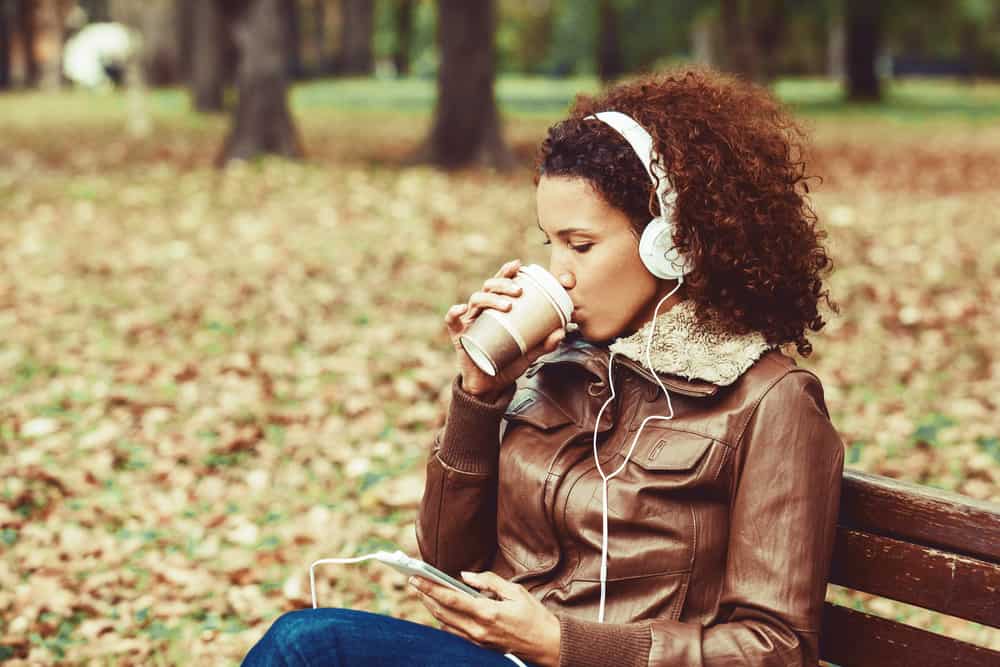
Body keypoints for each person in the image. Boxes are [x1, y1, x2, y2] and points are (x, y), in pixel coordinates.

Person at [242, 67, 844, 667]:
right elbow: (450, 566)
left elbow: (778, 648)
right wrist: (480, 395)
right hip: (504, 659)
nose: (559, 271)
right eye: (549, 242)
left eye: (581, 245)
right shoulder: (562, 368)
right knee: (310, 640)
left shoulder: (770, 402)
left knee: (309, 648)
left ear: (674, 243)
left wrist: (563, 643)